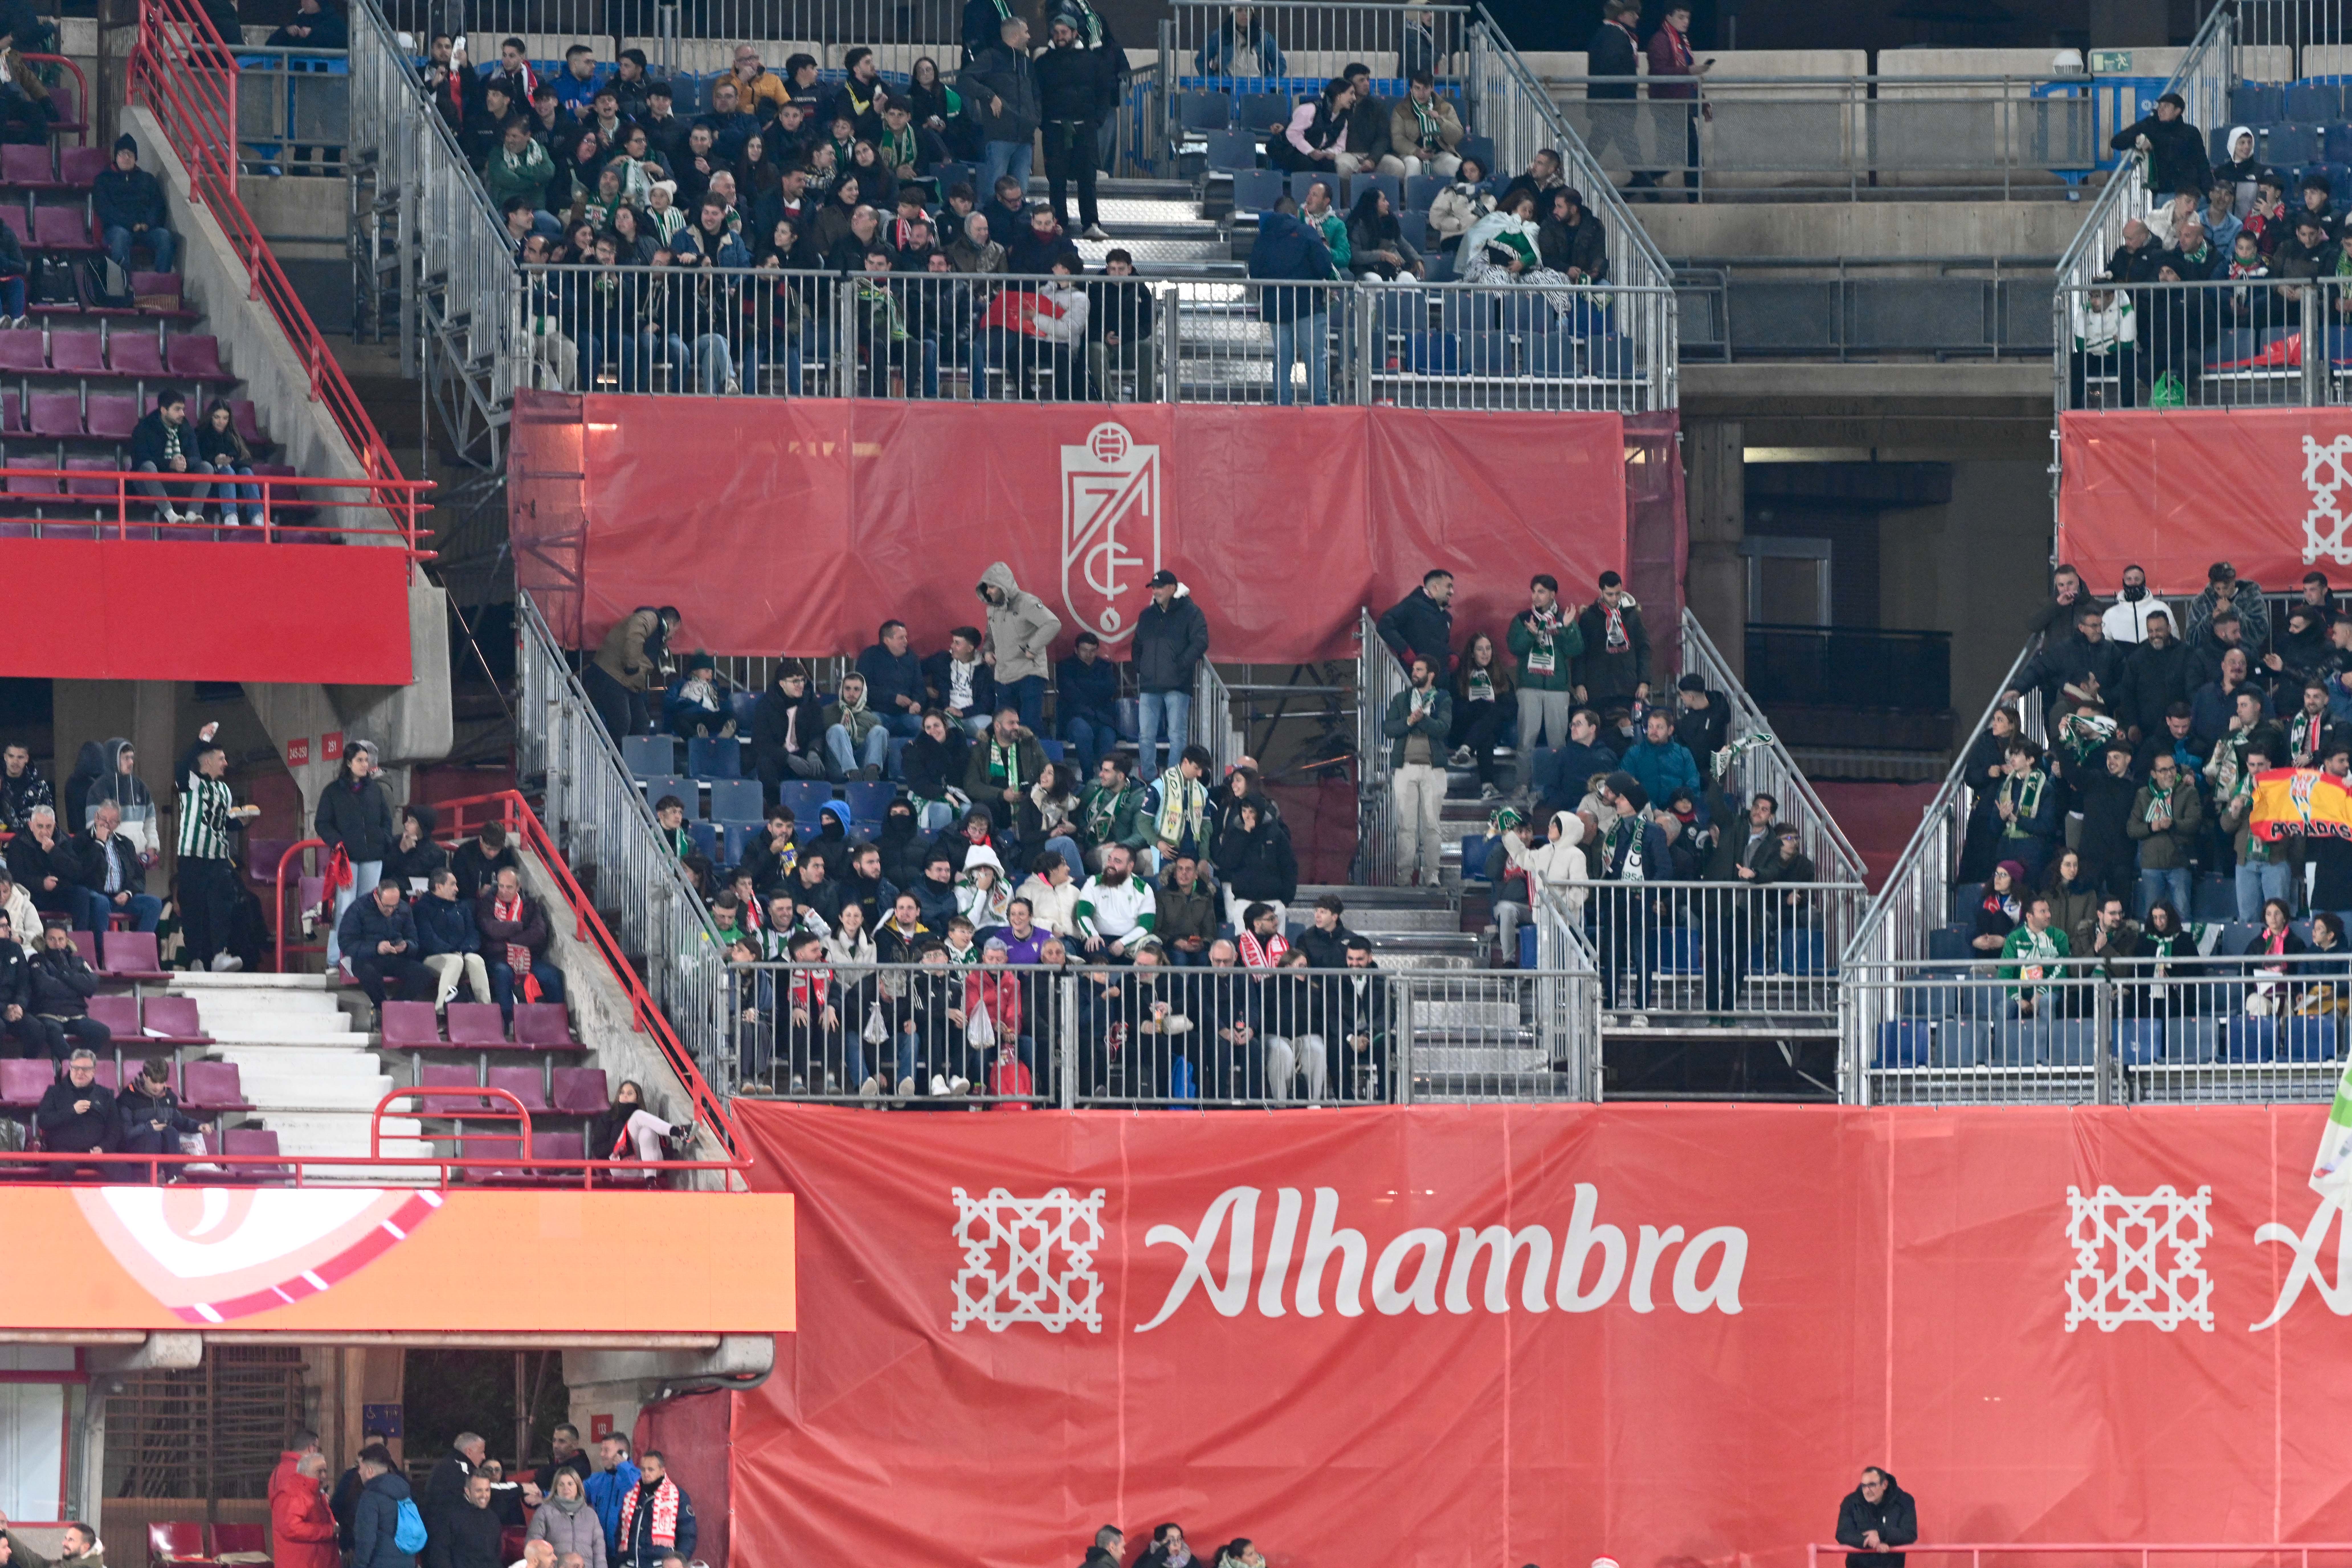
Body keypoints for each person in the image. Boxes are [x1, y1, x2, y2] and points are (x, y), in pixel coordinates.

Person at [174, 723, 256, 972]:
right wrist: (201, 740)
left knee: (223, 905)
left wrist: (241, 823)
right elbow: (181, 766)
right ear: (207, 762)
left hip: (219, 857)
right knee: (194, 909)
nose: (226, 764)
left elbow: (223, 823)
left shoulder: (225, 789)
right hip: (192, 857)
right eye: (221, 759)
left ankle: (220, 954)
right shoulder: (191, 783)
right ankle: (196, 959)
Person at [1247, 197, 1336, 406]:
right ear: (1296, 213)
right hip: (1307, 305)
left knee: (1282, 359)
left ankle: (1282, 404)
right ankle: (1319, 405)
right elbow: (1324, 267)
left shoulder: (1263, 237)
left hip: (1275, 306)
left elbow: (1255, 272)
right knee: (1314, 358)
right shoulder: (1307, 233)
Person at [317, 739, 397, 969]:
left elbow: (386, 819)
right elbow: (323, 823)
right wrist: (337, 842)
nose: (365, 764)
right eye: (360, 760)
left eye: (367, 760)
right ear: (349, 763)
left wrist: (384, 839)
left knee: (368, 908)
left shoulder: (375, 790)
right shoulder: (333, 792)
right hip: (347, 859)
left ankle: (360, 957)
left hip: (373, 857)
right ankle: (335, 960)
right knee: (345, 908)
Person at [1130, 571, 1209, 779]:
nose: (1156, 591)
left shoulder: (1191, 613)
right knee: (1146, 736)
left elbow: (1201, 642)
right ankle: (1149, 779)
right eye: (1154, 588)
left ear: (1173, 588)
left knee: (1177, 736)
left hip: (1177, 685)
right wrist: (1141, 667)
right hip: (1149, 686)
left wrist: (1180, 666)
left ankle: (1174, 779)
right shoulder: (1147, 615)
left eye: (1160, 587)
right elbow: (1137, 644)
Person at [1385, 655, 1451, 886]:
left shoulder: (1442, 698)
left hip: (1433, 770)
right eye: (1414, 669)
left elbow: (1443, 729)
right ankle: (1404, 874)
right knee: (1406, 825)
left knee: (1432, 825)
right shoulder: (1402, 699)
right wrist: (1409, 722)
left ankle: (1432, 873)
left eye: (1419, 670)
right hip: (1406, 769)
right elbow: (1389, 728)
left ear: (1431, 675)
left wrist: (1423, 720)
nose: (1414, 673)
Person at [977, 562, 1063, 734]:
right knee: (1003, 727)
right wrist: (987, 652)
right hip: (1004, 676)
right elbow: (990, 635)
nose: (989, 592)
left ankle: (1038, 760)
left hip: (1029, 674)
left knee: (1028, 726)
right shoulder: (992, 609)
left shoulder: (1027, 603)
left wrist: (1032, 648)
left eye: (993, 587)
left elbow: (1053, 624)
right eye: (987, 588)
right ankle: (1007, 761)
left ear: (1004, 584)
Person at [70, 802, 162, 953]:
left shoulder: (125, 844)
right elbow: (81, 872)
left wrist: (128, 893)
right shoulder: (81, 840)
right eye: (103, 819)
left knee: (154, 904)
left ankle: (137, 953)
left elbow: (139, 877)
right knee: (101, 903)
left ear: (118, 824)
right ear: (96, 817)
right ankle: (105, 955)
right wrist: (99, 843)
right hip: (96, 895)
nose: (106, 824)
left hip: (121, 897)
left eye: (112, 821)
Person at [477, 866, 567, 1020]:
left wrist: (508, 941)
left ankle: (559, 1022)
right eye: (501, 886)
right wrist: (520, 927)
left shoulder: (530, 905)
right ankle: (508, 1023)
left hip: (527, 958)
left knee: (553, 975)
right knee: (503, 974)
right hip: (498, 958)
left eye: (509, 887)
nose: (504, 891)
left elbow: (539, 934)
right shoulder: (488, 904)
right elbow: (491, 929)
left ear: (519, 887)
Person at [964, 17, 1040, 197]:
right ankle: (989, 226)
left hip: (1025, 140)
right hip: (999, 137)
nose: (1029, 37)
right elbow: (965, 80)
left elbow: (1036, 94)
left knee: (1020, 196)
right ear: (1015, 35)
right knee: (994, 193)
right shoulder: (990, 57)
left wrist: (1035, 118)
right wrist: (990, 96)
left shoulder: (1027, 63)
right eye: (1026, 32)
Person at [339, 881, 435, 1013]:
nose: (391, 910)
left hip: (395, 958)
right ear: (377, 898)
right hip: (366, 959)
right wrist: (376, 948)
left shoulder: (404, 908)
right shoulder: (358, 908)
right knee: (369, 974)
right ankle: (382, 1008)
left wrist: (406, 946)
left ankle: (391, 1009)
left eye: (395, 907)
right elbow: (346, 944)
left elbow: (414, 941)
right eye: (387, 906)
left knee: (424, 974)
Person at [587, 605, 680, 741]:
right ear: (672, 624)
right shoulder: (651, 617)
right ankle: (617, 761)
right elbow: (635, 635)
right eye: (675, 632)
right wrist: (632, 665)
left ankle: (632, 759)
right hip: (613, 675)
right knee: (621, 724)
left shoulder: (656, 631)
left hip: (627, 682)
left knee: (641, 724)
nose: (672, 637)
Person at [130, 388, 215, 528]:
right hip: (152, 485)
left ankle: (192, 514)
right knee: (148, 467)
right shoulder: (144, 429)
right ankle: (170, 514)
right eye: (178, 409)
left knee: (207, 467)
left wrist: (186, 464)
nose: (183, 414)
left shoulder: (186, 428)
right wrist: (170, 464)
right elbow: (140, 461)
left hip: (179, 482)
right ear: (164, 410)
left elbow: (197, 458)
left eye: (183, 409)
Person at [2109, 91, 2210, 209]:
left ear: (2178, 111)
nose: (2161, 110)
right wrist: (2137, 139)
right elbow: (2116, 142)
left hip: (2192, 192)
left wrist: (2208, 192)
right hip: (2165, 193)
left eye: (2167, 107)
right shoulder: (2149, 125)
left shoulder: (2191, 132)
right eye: (2160, 106)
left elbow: (2202, 163)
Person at [95, 134, 177, 273]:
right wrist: (131, 224)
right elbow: (106, 210)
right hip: (117, 228)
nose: (127, 158)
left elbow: (158, 207)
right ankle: (124, 284)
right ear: (116, 156)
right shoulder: (104, 180)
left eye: (130, 154)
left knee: (165, 237)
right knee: (121, 236)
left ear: (136, 158)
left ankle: (160, 284)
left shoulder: (148, 180)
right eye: (123, 154)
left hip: (146, 229)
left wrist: (148, 224)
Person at [751, 663, 830, 799]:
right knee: (764, 765)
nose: (800, 685)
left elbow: (818, 732)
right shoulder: (765, 706)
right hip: (778, 757)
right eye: (795, 681)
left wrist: (814, 752)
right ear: (782, 684)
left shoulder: (811, 702)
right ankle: (776, 810)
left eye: (802, 680)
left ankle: (811, 812)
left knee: (819, 769)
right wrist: (787, 758)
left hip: (804, 755)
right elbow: (761, 742)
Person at [1449, 631, 1512, 799]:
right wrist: (1478, 704)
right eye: (1480, 649)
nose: (1485, 653)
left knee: (1492, 719)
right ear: (1472, 653)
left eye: (1488, 649)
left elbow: (1510, 708)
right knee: (1486, 733)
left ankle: (1466, 749)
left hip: (1493, 729)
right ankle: (1488, 786)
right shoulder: (1460, 677)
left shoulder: (1502, 676)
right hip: (1463, 730)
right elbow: (1454, 709)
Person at [416, 869, 492, 1008]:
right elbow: (428, 939)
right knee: (455, 961)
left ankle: (486, 1010)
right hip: (432, 959)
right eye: (453, 885)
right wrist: (453, 951)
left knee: (476, 960)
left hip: (461, 956)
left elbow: (473, 934)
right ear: (439, 887)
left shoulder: (461, 907)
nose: (457, 889)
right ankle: (441, 1012)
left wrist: (464, 951)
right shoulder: (423, 908)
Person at [1575, 573, 1649, 708]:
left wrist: (1644, 681)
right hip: (1597, 688)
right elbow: (1580, 653)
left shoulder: (1632, 616)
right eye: (1610, 594)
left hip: (1627, 687)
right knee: (1597, 728)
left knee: (1625, 727)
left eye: (1618, 594)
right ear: (1601, 592)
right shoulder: (1589, 617)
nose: (1615, 598)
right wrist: (1580, 684)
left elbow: (1644, 649)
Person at [35, 1046, 117, 1165]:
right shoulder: (54, 1092)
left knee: (123, 1171)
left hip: (96, 1153)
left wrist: (104, 1148)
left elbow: (115, 1128)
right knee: (62, 1167)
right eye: (76, 1068)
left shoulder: (106, 1095)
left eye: (85, 1069)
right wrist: (72, 1111)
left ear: (94, 1071)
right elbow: (43, 1121)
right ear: (70, 1069)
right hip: (63, 1153)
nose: (80, 1073)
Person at [614, 1453, 693, 1568]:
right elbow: (620, 1532)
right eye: (643, 1469)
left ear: (662, 1471)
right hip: (631, 1564)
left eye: (651, 1470)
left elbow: (688, 1534)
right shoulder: (631, 1497)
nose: (646, 1474)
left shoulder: (677, 1496)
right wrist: (621, 1560)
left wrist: (679, 1563)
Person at [1836, 1467, 1918, 1568]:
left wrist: (1881, 1535)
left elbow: (1910, 1534)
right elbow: (1842, 1534)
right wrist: (1870, 1541)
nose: (1867, 1490)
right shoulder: (1850, 1502)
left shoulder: (1905, 1501)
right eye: (1864, 1486)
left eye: (1872, 1485)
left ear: (1884, 1485)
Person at [350, 1444, 416, 1568]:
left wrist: (359, 1565)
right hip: (407, 1561)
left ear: (370, 1471)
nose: (359, 1471)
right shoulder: (404, 1492)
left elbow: (366, 1537)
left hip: (380, 1563)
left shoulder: (370, 1497)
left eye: (360, 1467)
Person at [1378, 568, 1456, 673]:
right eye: (1449, 586)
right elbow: (1385, 625)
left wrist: (1451, 655)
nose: (1452, 592)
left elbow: (1438, 644)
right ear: (1436, 587)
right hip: (1414, 680)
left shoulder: (1447, 618)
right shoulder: (1412, 605)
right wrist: (1405, 650)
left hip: (1439, 682)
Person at [272, 1451, 341, 1568]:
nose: (324, 1476)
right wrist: (328, 1531)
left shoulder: (317, 1494)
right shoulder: (293, 1493)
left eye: (325, 1471)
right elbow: (292, 1528)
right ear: (304, 1473)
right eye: (319, 1471)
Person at [527, 1468, 606, 1568]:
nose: (566, 1488)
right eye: (561, 1484)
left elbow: (599, 1552)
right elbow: (534, 1547)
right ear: (556, 1488)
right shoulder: (545, 1512)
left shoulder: (591, 1515)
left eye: (570, 1484)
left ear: (578, 1486)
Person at [428, 1473, 504, 1568]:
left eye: (487, 1490)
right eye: (479, 1491)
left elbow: (496, 1554)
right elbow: (440, 1553)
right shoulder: (451, 1516)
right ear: (467, 1491)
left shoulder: (493, 1518)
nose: (484, 1495)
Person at [585, 1437, 640, 1561]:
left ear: (622, 1453)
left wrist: (624, 1467)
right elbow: (573, 1492)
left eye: (607, 1450)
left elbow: (636, 1488)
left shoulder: (638, 1476)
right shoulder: (596, 1480)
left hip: (627, 1553)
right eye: (602, 1450)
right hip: (601, 1552)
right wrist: (544, 1495)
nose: (602, 1454)